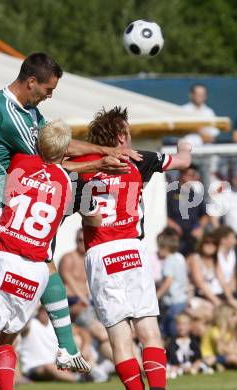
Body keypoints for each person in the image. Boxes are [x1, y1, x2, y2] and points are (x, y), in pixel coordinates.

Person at [0, 52, 137, 387]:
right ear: (31, 82)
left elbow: (54, 141)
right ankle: (65, 345)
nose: (50, 95)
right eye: (48, 89)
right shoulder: (13, 117)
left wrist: (102, 153)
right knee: (39, 262)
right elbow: (53, 159)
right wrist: (103, 157)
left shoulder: (15, 105)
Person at [0, 120, 99, 390]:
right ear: (65, 152)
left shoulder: (20, 160)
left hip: (7, 259)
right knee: (8, 341)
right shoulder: (66, 182)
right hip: (36, 272)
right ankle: (66, 347)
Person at [72, 106, 192, 390]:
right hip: (132, 250)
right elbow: (184, 160)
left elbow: (53, 157)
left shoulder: (83, 166)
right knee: (149, 330)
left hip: (101, 254)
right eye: (128, 132)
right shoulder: (138, 160)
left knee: (119, 336)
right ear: (121, 136)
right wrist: (186, 143)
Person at [59, 229, 113, 362]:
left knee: (107, 338)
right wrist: (84, 299)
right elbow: (67, 281)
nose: (80, 243)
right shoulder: (68, 258)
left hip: (87, 303)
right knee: (103, 334)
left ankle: (135, 368)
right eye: (78, 240)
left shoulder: (90, 259)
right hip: (73, 302)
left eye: (83, 240)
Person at [167, 165, 210, 256]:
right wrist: (173, 225)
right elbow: (162, 214)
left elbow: (205, 215)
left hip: (192, 238)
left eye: (193, 175)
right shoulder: (169, 194)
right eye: (189, 175)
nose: (191, 178)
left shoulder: (196, 195)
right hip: (174, 238)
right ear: (181, 175)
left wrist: (200, 228)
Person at [156, 228, 189, 337]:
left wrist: (157, 295)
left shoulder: (168, 261)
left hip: (172, 301)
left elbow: (168, 281)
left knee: (170, 329)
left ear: (165, 248)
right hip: (182, 299)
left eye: (159, 247)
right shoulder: (180, 257)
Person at [167, 313, 205, 378]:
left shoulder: (193, 340)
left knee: (202, 365)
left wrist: (194, 366)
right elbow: (173, 359)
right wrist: (182, 367)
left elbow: (198, 357)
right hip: (177, 366)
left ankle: (193, 370)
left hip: (191, 365)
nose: (181, 327)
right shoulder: (172, 342)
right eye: (179, 324)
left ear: (190, 326)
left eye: (184, 324)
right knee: (170, 368)